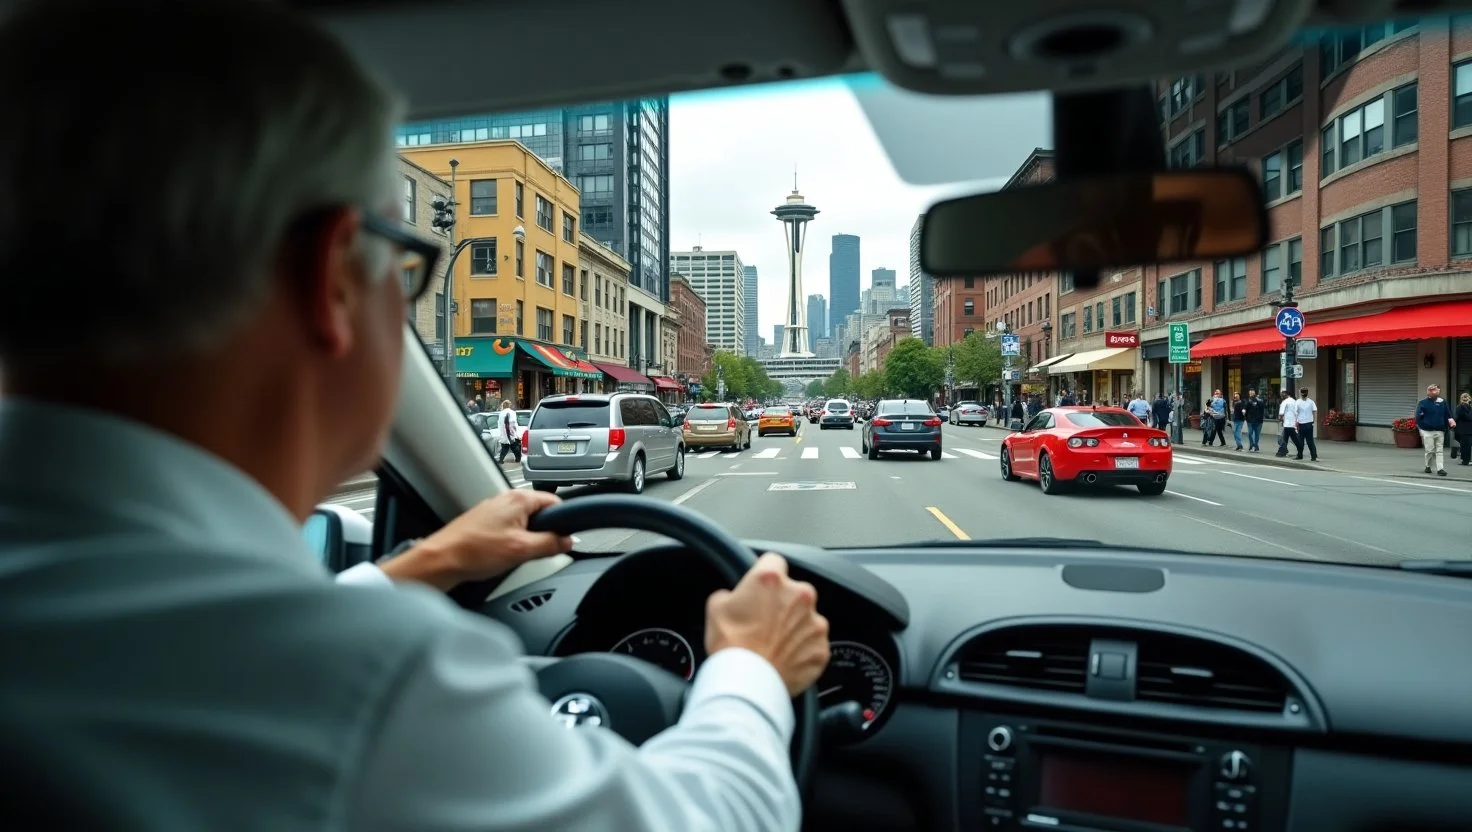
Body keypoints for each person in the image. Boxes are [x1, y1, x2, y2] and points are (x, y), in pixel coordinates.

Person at [0, 2, 830, 830]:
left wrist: (419, 566)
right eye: (403, 263)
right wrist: (751, 668)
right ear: (331, 278)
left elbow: (175, 650)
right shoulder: (364, 687)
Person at [1415, 383, 1456, 476]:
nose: (1435, 391)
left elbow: (1447, 414)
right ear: (1428, 391)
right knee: (1430, 450)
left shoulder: (1442, 402)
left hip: (1440, 429)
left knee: (1439, 450)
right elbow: (1418, 417)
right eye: (1432, 390)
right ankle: (1428, 466)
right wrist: (1423, 426)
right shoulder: (1423, 403)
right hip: (1427, 430)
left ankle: (1440, 468)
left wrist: (1450, 423)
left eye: (1436, 389)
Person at [496, 399, 523, 464]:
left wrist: (501, 432)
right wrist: (515, 433)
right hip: (511, 433)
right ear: (509, 405)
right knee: (515, 448)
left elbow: (499, 424)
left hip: (504, 434)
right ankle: (518, 459)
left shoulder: (501, 413)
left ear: (503, 406)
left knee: (504, 448)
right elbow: (513, 423)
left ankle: (501, 460)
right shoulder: (512, 413)